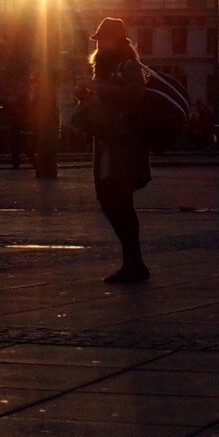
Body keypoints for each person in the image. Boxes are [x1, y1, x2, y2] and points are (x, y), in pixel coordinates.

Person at [75, 17, 152, 283]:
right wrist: (85, 95)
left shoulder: (129, 65)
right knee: (112, 204)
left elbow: (134, 97)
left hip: (124, 147)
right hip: (109, 145)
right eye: (98, 41)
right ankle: (133, 263)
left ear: (116, 39)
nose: (100, 45)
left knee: (119, 203)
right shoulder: (104, 68)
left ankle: (134, 263)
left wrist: (102, 90)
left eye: (103, 39)